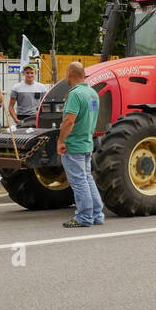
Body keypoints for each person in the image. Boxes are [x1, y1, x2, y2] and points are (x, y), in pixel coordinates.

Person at [57, 61, 103, 228]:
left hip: (74, 144)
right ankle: (97, 214)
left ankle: (84, 216)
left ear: (69, 74)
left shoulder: (75, 94)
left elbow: (69, 121)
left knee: (79, 181)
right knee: (87, 178)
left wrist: (61, 140)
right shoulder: (92, 93)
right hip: (86, 142)